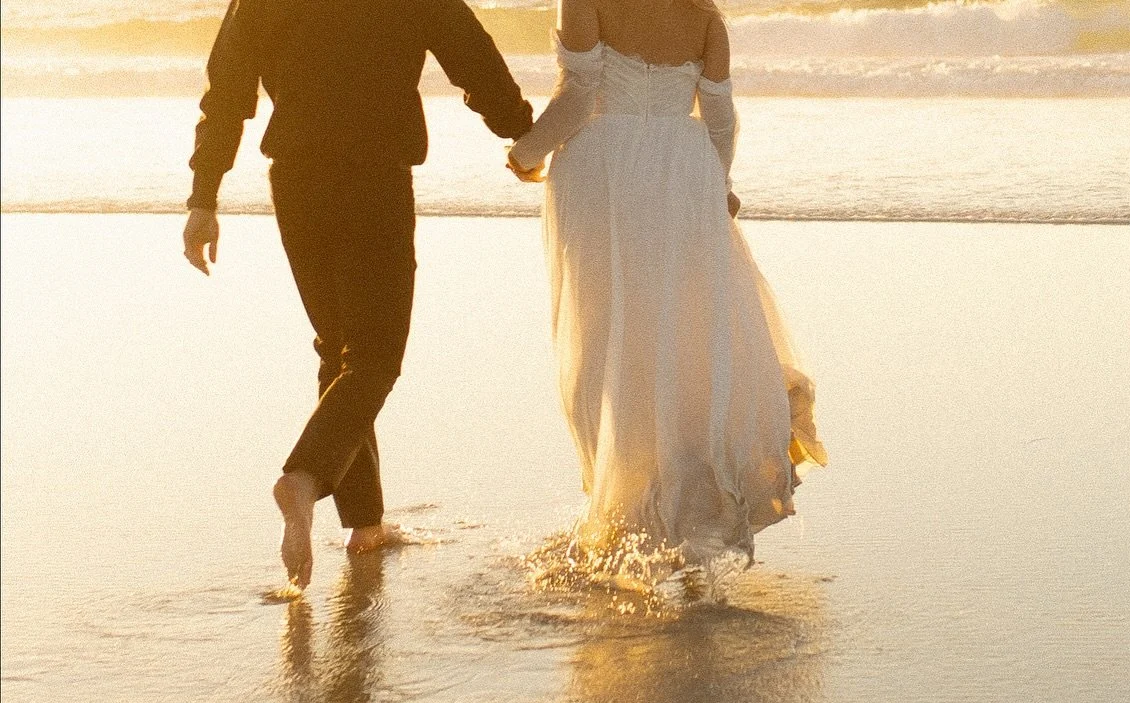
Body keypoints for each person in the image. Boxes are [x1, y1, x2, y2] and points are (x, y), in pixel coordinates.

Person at [182, 0, 533, 588]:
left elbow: (227, 93)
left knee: (340, 348)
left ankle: (363, 525)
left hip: (294, 177)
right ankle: (304, 477)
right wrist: (524, 132)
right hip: (374, 175)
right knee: (376, 357)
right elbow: (473, 60)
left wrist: (203, 198)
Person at [505, 0, 825, 569]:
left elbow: (580, 94)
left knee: (610, 339)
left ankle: (631, 505)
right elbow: (721, 119)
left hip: (605, 172)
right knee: (689, 335)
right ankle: (694, 501)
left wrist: (527, 152)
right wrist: (718, 183)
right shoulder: (705, 18)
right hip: (684, 169)